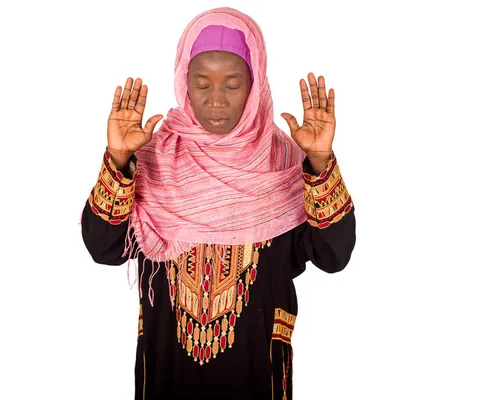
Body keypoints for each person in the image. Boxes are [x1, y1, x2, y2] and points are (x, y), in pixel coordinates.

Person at [81, 6, 355, 400]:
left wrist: (320, 163)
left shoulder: (287, 162)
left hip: (257, 379)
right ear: (183, 82)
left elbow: (334, 257)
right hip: (165, 377)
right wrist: (119, 159)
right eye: (202, 83)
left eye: (232, 84)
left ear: (255, 83)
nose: (215, 101)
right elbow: (104, 249)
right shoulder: (152, 158)